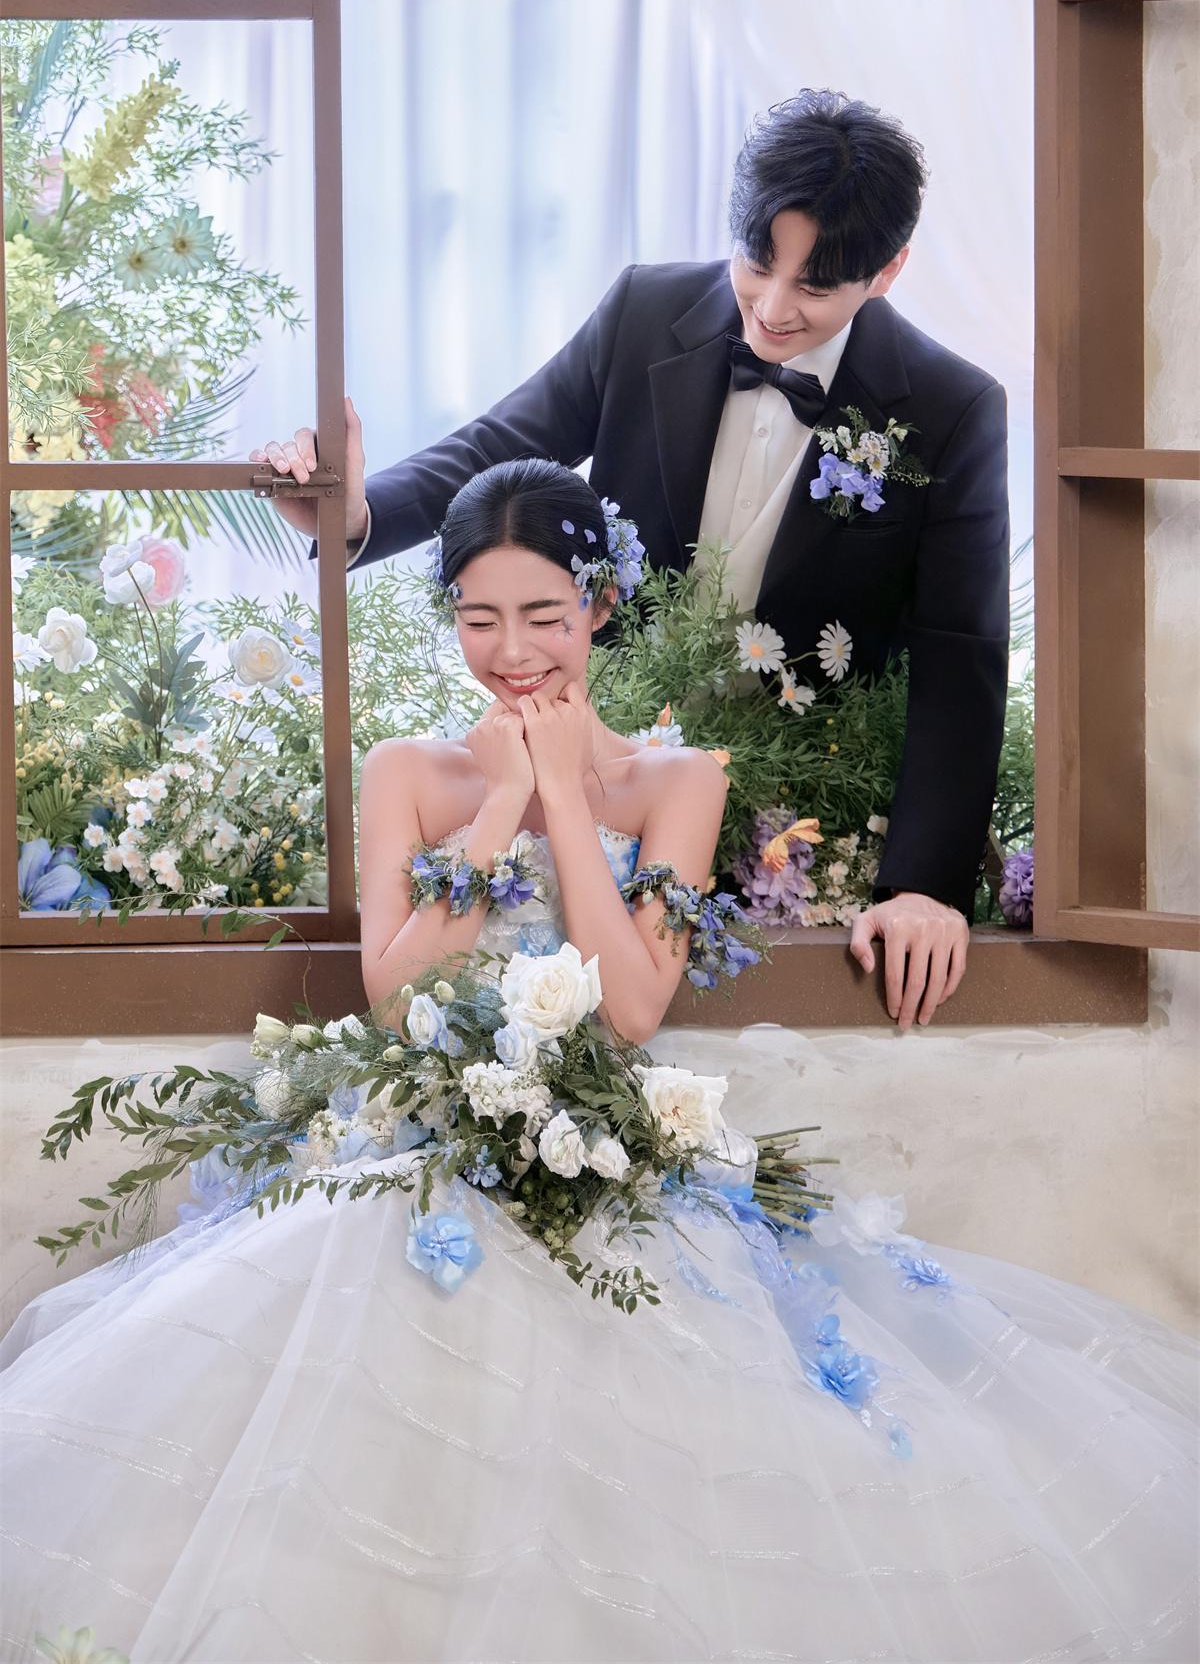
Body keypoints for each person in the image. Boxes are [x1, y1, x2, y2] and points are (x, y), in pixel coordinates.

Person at [2, 463, 1195, 1664]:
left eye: (544, 615)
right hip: (414, 1146)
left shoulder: (682, 779)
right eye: (479, 618)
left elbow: (628, 1009)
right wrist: (500, 799)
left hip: (612, 1153)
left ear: (603, 605)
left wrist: (566, 804)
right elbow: (398, 1000)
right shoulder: (408, 769)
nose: (512, 651)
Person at [256, 91, 1009, 1032]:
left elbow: (961, 654)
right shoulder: (646, 310)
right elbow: (500, 449)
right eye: (757, 261)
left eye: (815, 288)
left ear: (888, 270)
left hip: (797, 803)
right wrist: (357, 514)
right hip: (601, 758)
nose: (772, 308)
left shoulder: (950, 407)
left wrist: (923, 885)